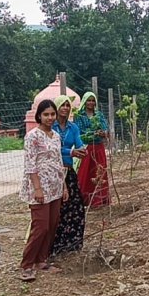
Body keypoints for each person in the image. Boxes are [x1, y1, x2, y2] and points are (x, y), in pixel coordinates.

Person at [19, 100, 68, 282]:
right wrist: (37, 188)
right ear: (39, 116)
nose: (49, 118)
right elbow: (30, 165)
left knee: (53, 224)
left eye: (52, 114)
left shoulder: (55, 135)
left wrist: (64, 186)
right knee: (40, 226)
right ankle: (26, 264)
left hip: (55, 185)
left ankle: (42, 260)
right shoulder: (33, 136)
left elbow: (58, 161)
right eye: (46, 114)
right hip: (38, 186)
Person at [51, 95, 87, 256]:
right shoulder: (51, 128)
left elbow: (79, 143)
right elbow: (51, 149)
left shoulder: (73, 128)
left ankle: (72, 242)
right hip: (53, 171)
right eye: (62, 105)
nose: (65, 108)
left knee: (75, 206)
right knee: (56, 207)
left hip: (68, 170)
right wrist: (71, 151)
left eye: (68, 105)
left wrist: (83, 149)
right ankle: (53, 243)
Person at [75, 92, 110, 208]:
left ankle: (99, 200)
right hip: (87, 148)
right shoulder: (80, 116)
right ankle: (83, 199)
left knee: (100, 172)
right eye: (88, 100)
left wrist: (103, 133)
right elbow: (80, 133)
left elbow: (105, 129)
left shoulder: (99, 115)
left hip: (99, 147)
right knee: (85, 173)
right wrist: (93, 134)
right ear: (84, 102)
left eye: (92, 100)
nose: (91, 103)